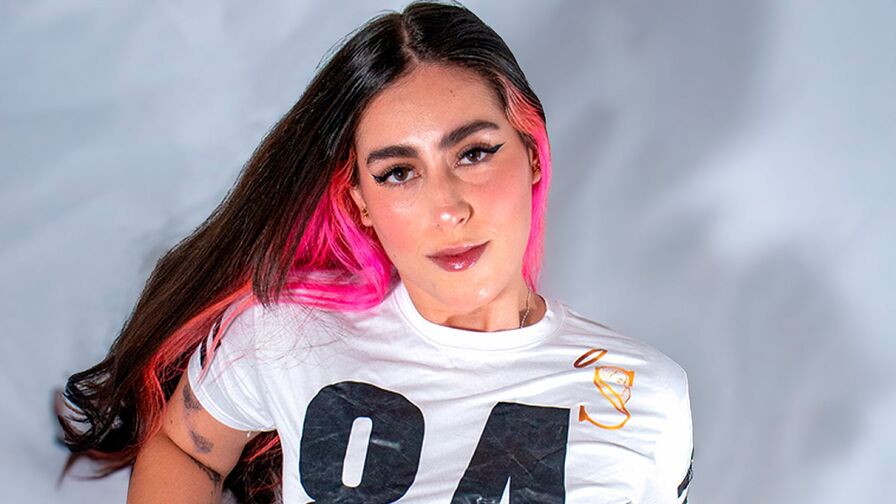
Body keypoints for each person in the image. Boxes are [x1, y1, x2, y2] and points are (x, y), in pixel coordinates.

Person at [58, 1, 694, 503]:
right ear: (360, 201)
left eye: (473, 153)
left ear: (531, 154)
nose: (448, 208)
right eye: (399, 173)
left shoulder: (646, 394)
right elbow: (184, 449)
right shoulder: (286, 334)